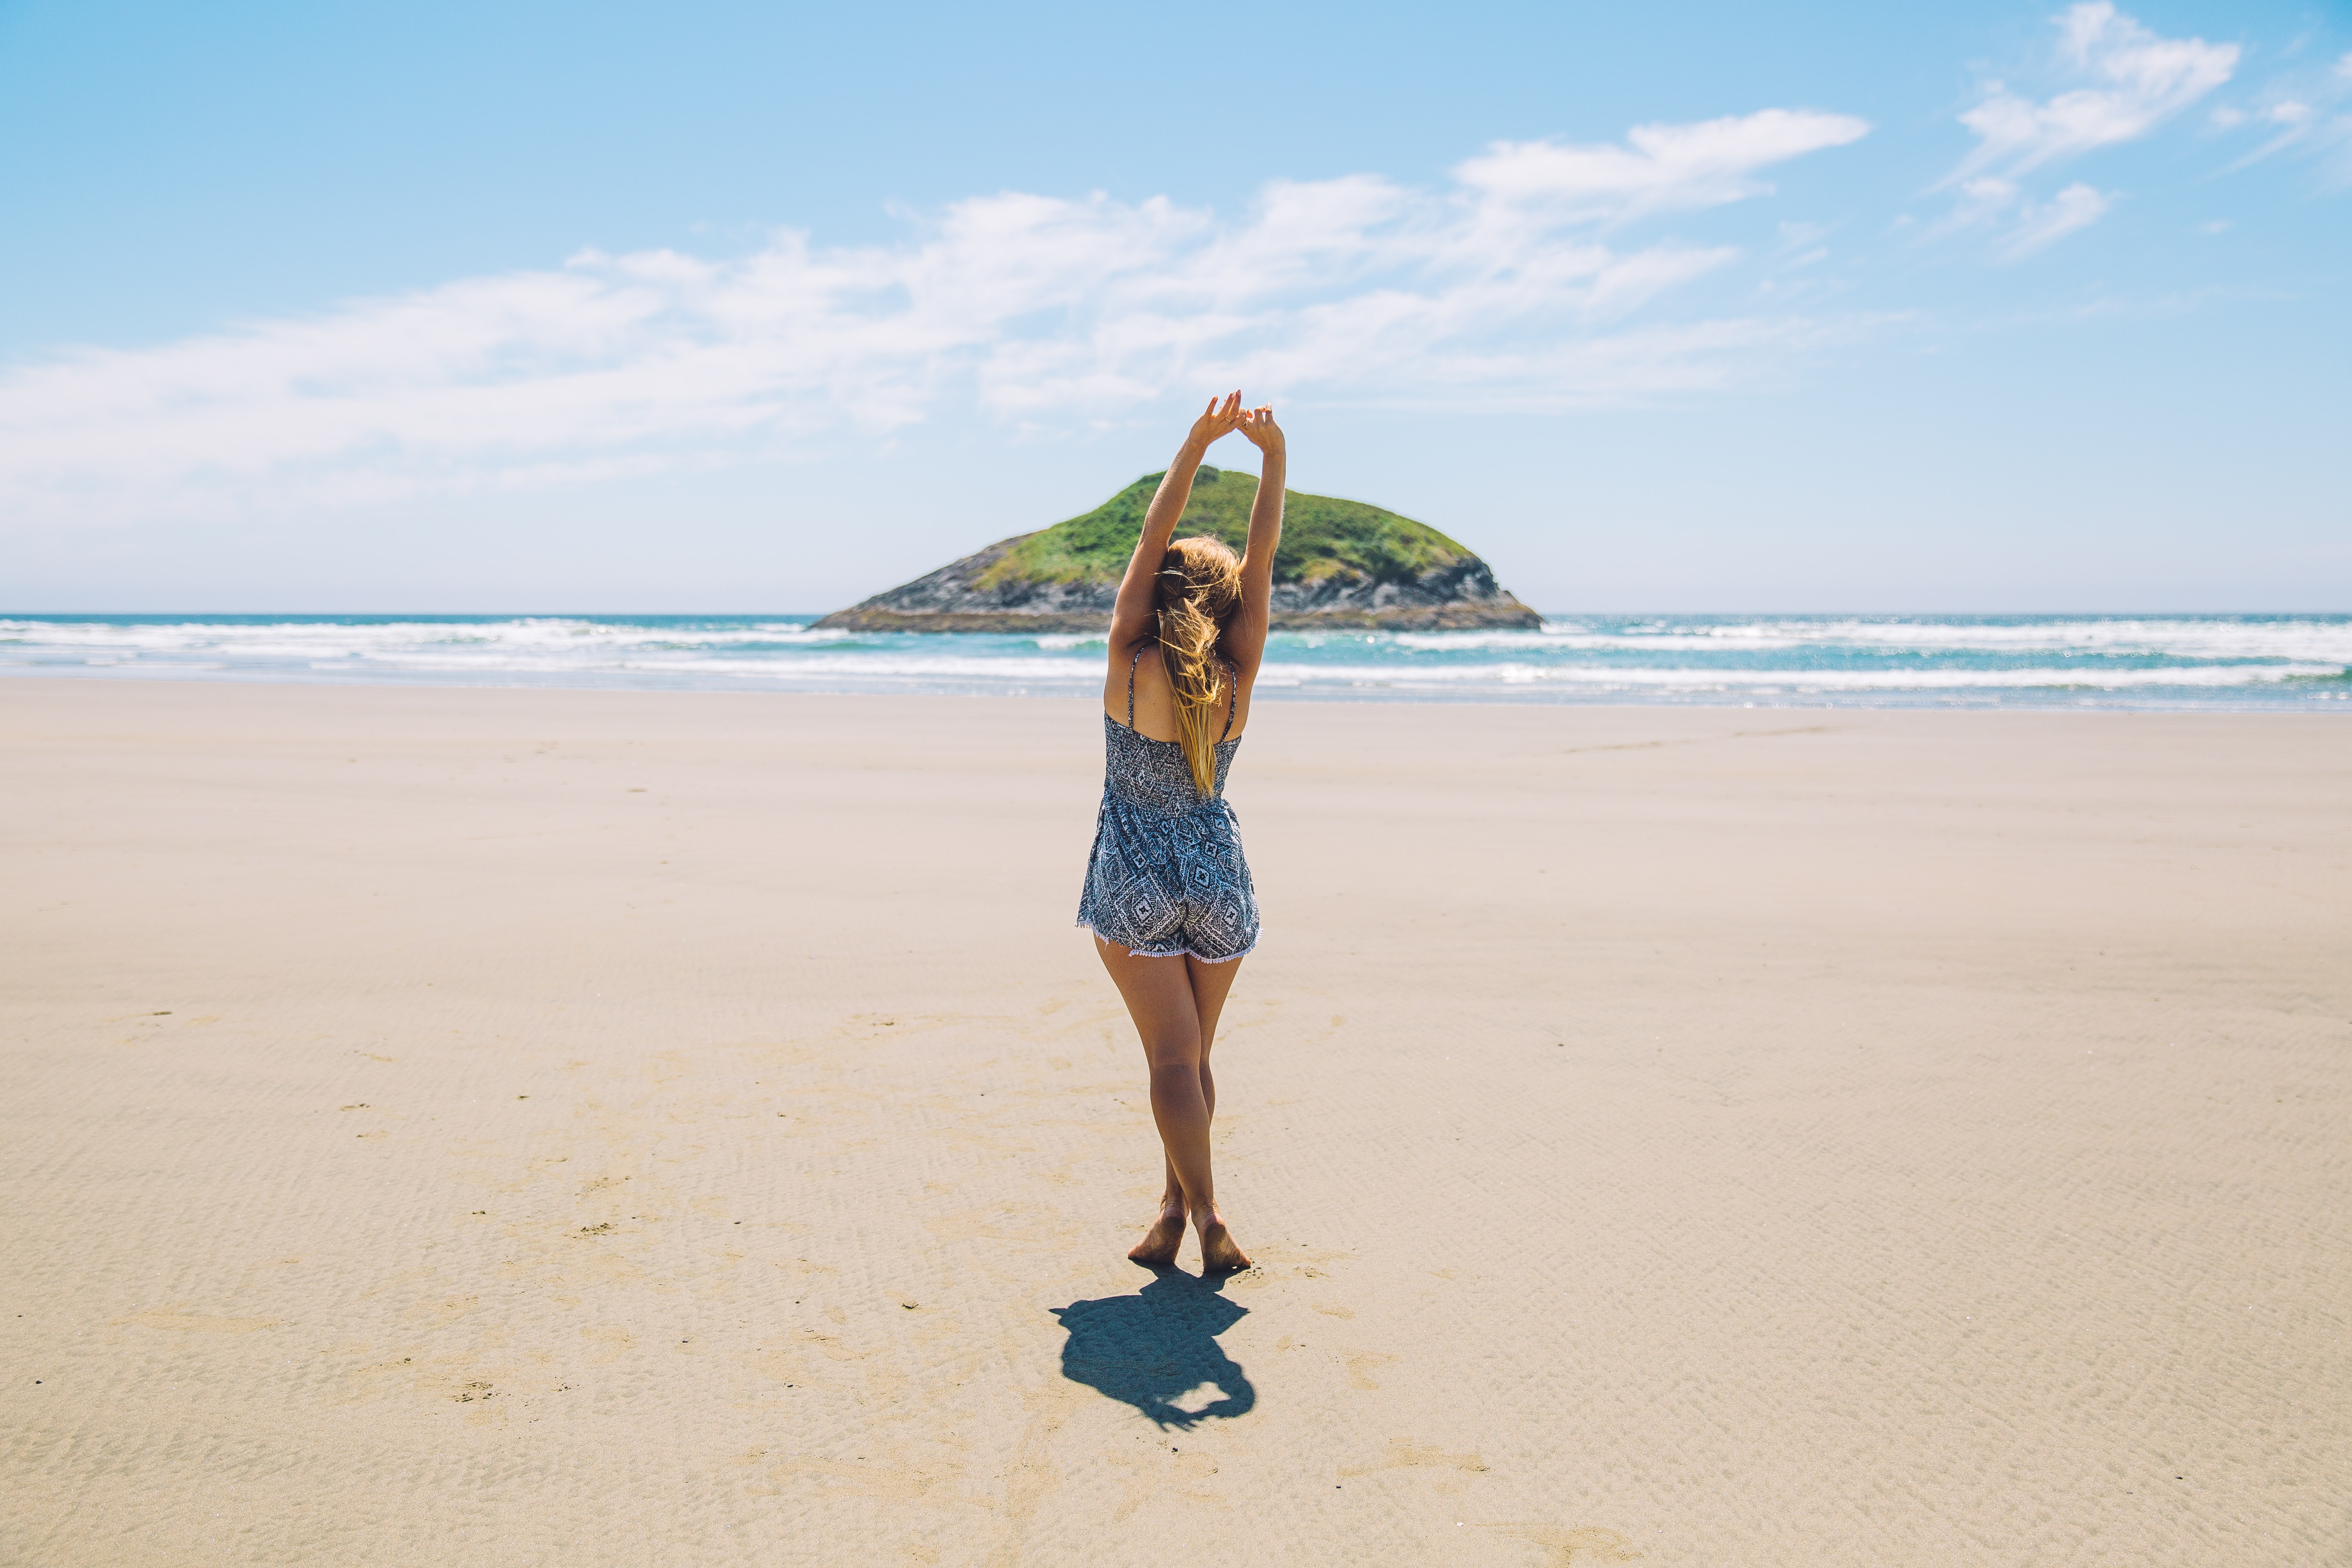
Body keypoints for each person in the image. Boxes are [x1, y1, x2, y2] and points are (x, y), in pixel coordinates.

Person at [1076, 390, 1284, 1274]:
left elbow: (1144, 546)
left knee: (1169, 1059)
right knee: (1194, 1059)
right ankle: (1170, 1209)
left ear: (1159, 591)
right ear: (1229, 601)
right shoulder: (1238, 670)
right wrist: (1275, 459)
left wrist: (1194, 446)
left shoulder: (1130, 656)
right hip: (1216, 872)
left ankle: (1206, 1216)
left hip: (1135, 871)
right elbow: (1263, 558)